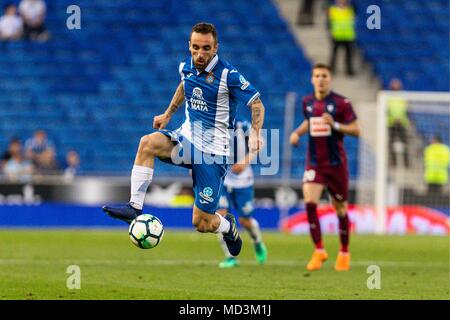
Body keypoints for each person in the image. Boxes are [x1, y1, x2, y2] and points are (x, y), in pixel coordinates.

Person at [102, 22, 266, 259]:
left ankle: (228, 226)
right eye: (196, 48)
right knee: (147, 143)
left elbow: (257, 104)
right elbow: (184, 86)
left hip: (213, 154)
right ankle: (134, 207)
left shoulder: (228, 75)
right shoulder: (187, 67)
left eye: (206, 48)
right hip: (186, 140)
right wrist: (168, 114)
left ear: (216, 47)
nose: (200, 54)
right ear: (189, 46)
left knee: (202, 222)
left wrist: (257, 134)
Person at [290, 63, 359, 271]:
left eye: (324, 76)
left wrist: (335, 125)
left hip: (336, 164)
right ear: (312, 79)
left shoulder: (342, 103)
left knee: (340, 209)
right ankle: (319, 250)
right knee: (310, 201)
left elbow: (356, 129)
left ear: (330, 79)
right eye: (317, 76)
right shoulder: (307, 102)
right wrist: (297, 133)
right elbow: (309, 121)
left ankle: (344, 252)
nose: (320, 79)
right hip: (315, 163)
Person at [216, 119, 267, 268]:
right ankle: (230, 256)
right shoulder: (214, 125)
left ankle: (257, 241)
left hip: (243, 182)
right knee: (220, 216)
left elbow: (260, 143)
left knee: (245, 221)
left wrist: (246, 161)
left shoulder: (242, 125)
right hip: (223, 180)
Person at [328, 0, 356, 76]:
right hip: (337, 35)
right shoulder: (333, 10)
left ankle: (349, 70)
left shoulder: (350, 10)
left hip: (348, 35)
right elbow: (330, 22)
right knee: (334, 54)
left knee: (348, 55)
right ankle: (332, 69)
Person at [387, 78, 410, 168]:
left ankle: (406, 162)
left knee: (405, 143)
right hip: (391, 123)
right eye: (394, 84)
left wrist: (400, 118)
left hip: (402, 123)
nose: (395, 86)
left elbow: (406, 109)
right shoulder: (387, 97)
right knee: (391, 143)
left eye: (397, 84)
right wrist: (394, 118)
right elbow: (387, 109)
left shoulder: (403, 96)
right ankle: (394, 162)